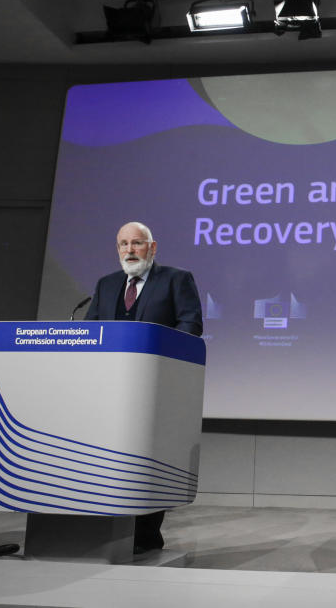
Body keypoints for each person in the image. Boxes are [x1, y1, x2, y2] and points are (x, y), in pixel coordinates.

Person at [84, 221, 203, 554]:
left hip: (154, 389)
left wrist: (159, 353)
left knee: (146, 460)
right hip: (106, 391)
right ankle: (103, 527)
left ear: (152, 247)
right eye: (123, 244)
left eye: (137, 243)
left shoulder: (176, 279)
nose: (129, 250)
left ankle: (146, 535)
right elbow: (90, 329)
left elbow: (190, 324)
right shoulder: (106, 284)